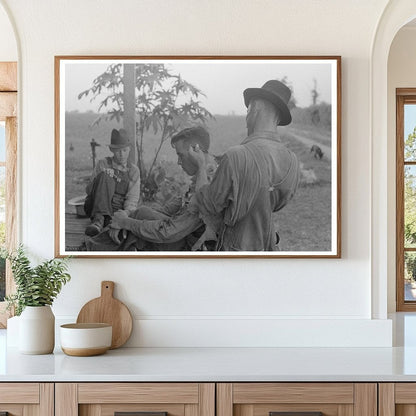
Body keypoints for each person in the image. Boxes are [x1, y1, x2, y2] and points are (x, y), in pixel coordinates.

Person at [191, 79, 300, 251]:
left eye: (248, 109)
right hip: (268, 247)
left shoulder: (236, 155)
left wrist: (200, 168)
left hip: (235, 250)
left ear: (255, 109)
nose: (247, 116)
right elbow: (277, 204)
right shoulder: (293, 161)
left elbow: (210, 205)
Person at [104, 126, 217, 251]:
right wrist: (128, 215)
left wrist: (126, 222)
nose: (179, 162)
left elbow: (169, 231)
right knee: (142, 213)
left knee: (135, 230)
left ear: (196, 151)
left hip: (189, 250)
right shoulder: (199, 180)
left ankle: (98, 249)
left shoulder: (208, 186)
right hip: (178, 237)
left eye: (181, 155)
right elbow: (167, 210)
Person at [84, 128, 140, 237]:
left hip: (117, 210)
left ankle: (108, 222)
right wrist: (101, 175)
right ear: (111, 150)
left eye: (124, 150)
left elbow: (132, 199)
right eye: (118, 150)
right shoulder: (103, 163)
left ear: (129, 149)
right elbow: (89, 191)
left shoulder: (133, 171)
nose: (121, 154)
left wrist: (125, 215)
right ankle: (98, 221)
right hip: (95, 208)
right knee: (105, 176)